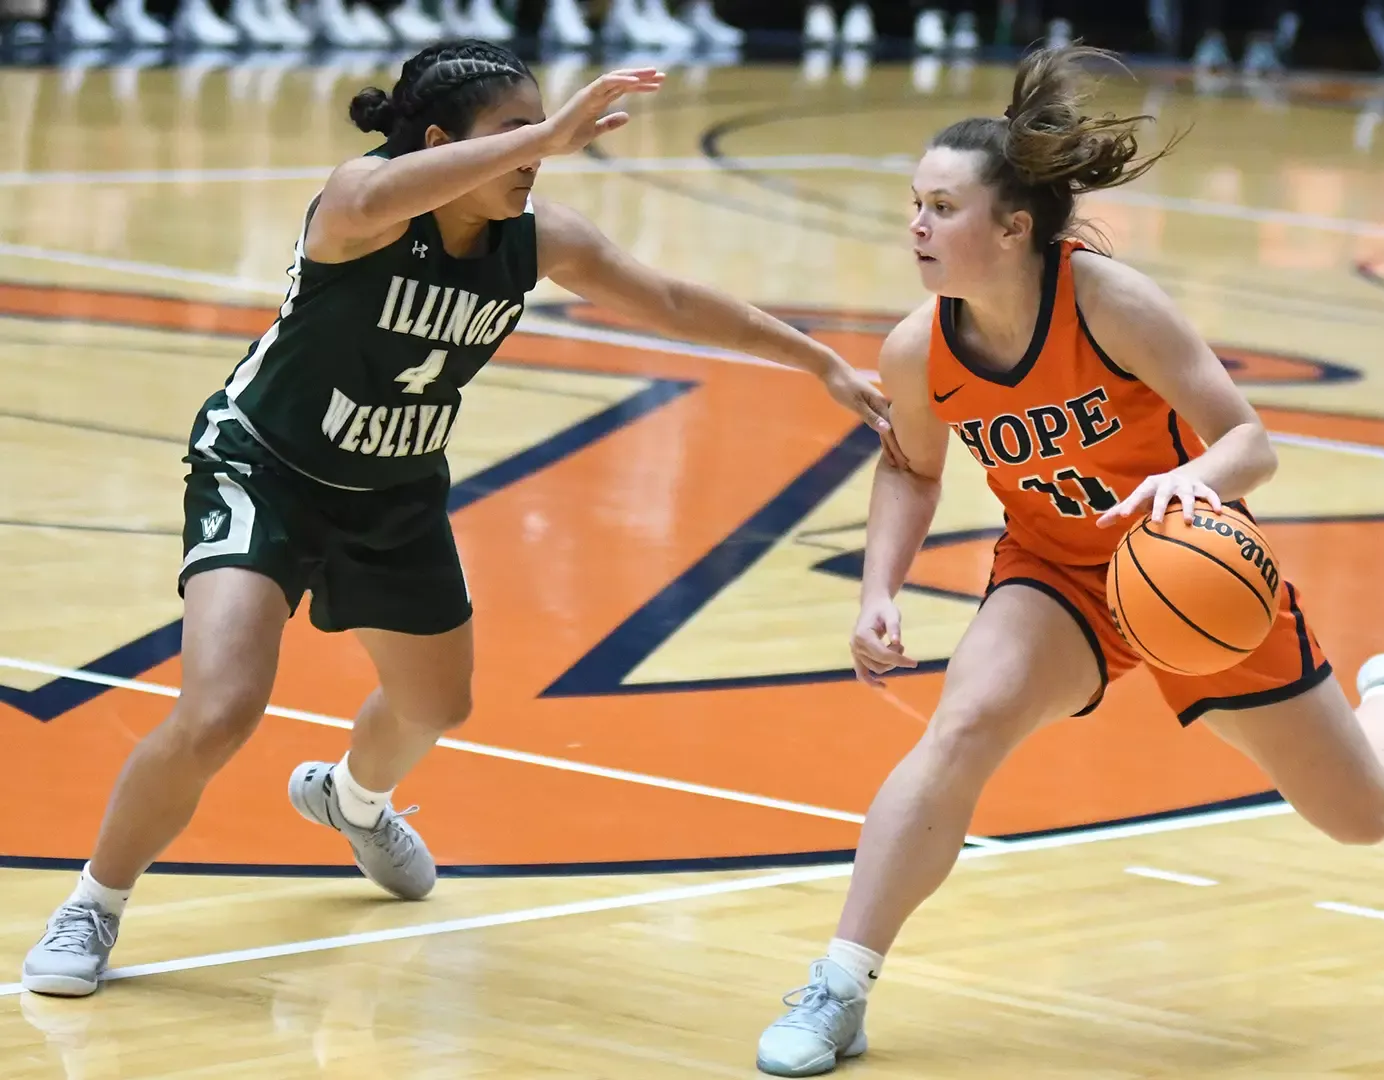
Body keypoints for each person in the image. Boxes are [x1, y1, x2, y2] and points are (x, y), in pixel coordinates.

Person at [21, 39, 901, 999]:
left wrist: (816, 359)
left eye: (540, 132)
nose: (538, 153)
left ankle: (354, 802)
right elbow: (375, 191)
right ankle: (95, 902)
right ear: (441, 144)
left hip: (396, 485)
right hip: (265, 469)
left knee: (436, 707)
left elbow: (670, 300)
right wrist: (551, 135)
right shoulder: (360, 202)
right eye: (514, 133)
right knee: (220, 707)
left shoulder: (537, 236)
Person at [753, 43, 1384, 1077]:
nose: (916, 226)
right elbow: (913, 471)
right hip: (1055, 574)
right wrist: (878, 589)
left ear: (1012, 228)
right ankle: (839, 988)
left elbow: (1251, 443)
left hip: (1188, 564)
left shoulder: (1110, 303)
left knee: (1362, 817)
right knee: (962, 727)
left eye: (941, 207)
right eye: (914, 205)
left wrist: (1189, 483)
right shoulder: (916, 349)